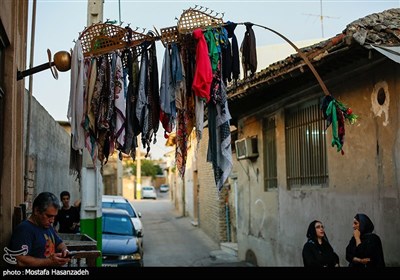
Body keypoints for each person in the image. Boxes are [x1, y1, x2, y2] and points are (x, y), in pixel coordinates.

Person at [8, 192, 71, 267]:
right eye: (49, 216)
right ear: (37, 211)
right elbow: (19, 260)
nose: (52, 220)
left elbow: (59, 243)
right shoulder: (24, 230)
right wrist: (49, 262)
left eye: (54, 216)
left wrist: (65, 251)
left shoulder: (48, 226)